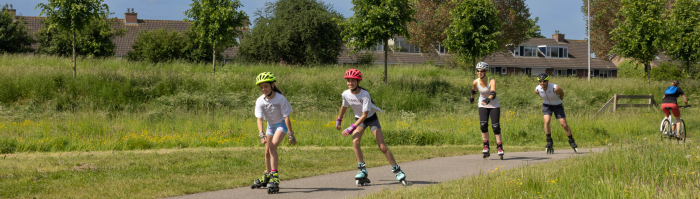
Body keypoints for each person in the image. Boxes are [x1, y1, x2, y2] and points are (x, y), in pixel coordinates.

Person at [335, 69, 408, 186]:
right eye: (348, 81)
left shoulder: (365, 94)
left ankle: (397, 170)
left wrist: (351, 128)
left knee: (382, 146)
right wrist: (339, 119)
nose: (350, 83)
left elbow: (365, 115)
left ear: (358, 82)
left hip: (370, 119)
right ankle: (362, 170)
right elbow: (344, 106)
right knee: (355, 142)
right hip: (359, 120)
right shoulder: (345, 94)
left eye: (353, 81)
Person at [251, 72, 296, 194]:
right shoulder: (260, 101)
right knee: (266, 151)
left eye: (266, 86)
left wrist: (291, 134)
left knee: (272, 147)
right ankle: (267, 174)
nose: (263, 89)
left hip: (281, 125)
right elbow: (259, 119)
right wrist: (261, 134)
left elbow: (286, 117)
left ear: (272, 85)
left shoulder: (280, 99)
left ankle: (274, 176)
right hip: (270, 126)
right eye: (261, 87)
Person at [534, 73, 578, 154]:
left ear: (548, 81)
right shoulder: (537, 89)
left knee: (564, 124)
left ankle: (571, 141)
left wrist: (560, 98)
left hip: (557, 105)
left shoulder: (555, 88)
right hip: (547, 105)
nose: (542, 83)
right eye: (540, 81)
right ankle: (549, 141)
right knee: (546, 121)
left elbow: (562, 93)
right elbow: (539, 95)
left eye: (544, 81)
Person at [469, 62, 504, 159]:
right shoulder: (475, 82)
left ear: (486, 72)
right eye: (478, 71)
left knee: (496, 126)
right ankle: (486, 146)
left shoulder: (491, 80)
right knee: (483, 125)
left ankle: (499, 147)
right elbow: (474, 91)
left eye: (482, 71)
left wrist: (488, 99)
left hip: (493, 105)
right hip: (482, 104)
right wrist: (472, 98)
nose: (479, 73)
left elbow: (493, 92)